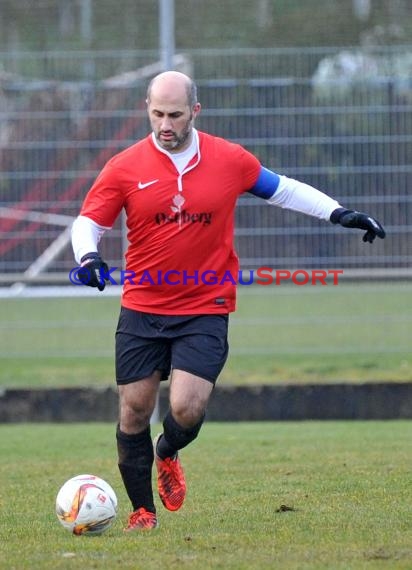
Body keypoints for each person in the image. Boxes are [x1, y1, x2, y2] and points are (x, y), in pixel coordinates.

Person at [71, 70, 385, 531]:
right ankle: (142, 512)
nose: (164, 124)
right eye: (157, 113)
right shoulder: (124, 166)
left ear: (194, 112)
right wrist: (89, 256)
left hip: (205, 305)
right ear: (147, 109)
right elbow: (88, 221)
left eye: (175, 114)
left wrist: (340, 213)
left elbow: (285, 190)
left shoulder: (228, 159)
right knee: (134, 410)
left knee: (186, 409)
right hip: (143, 306)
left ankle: (168, 450)